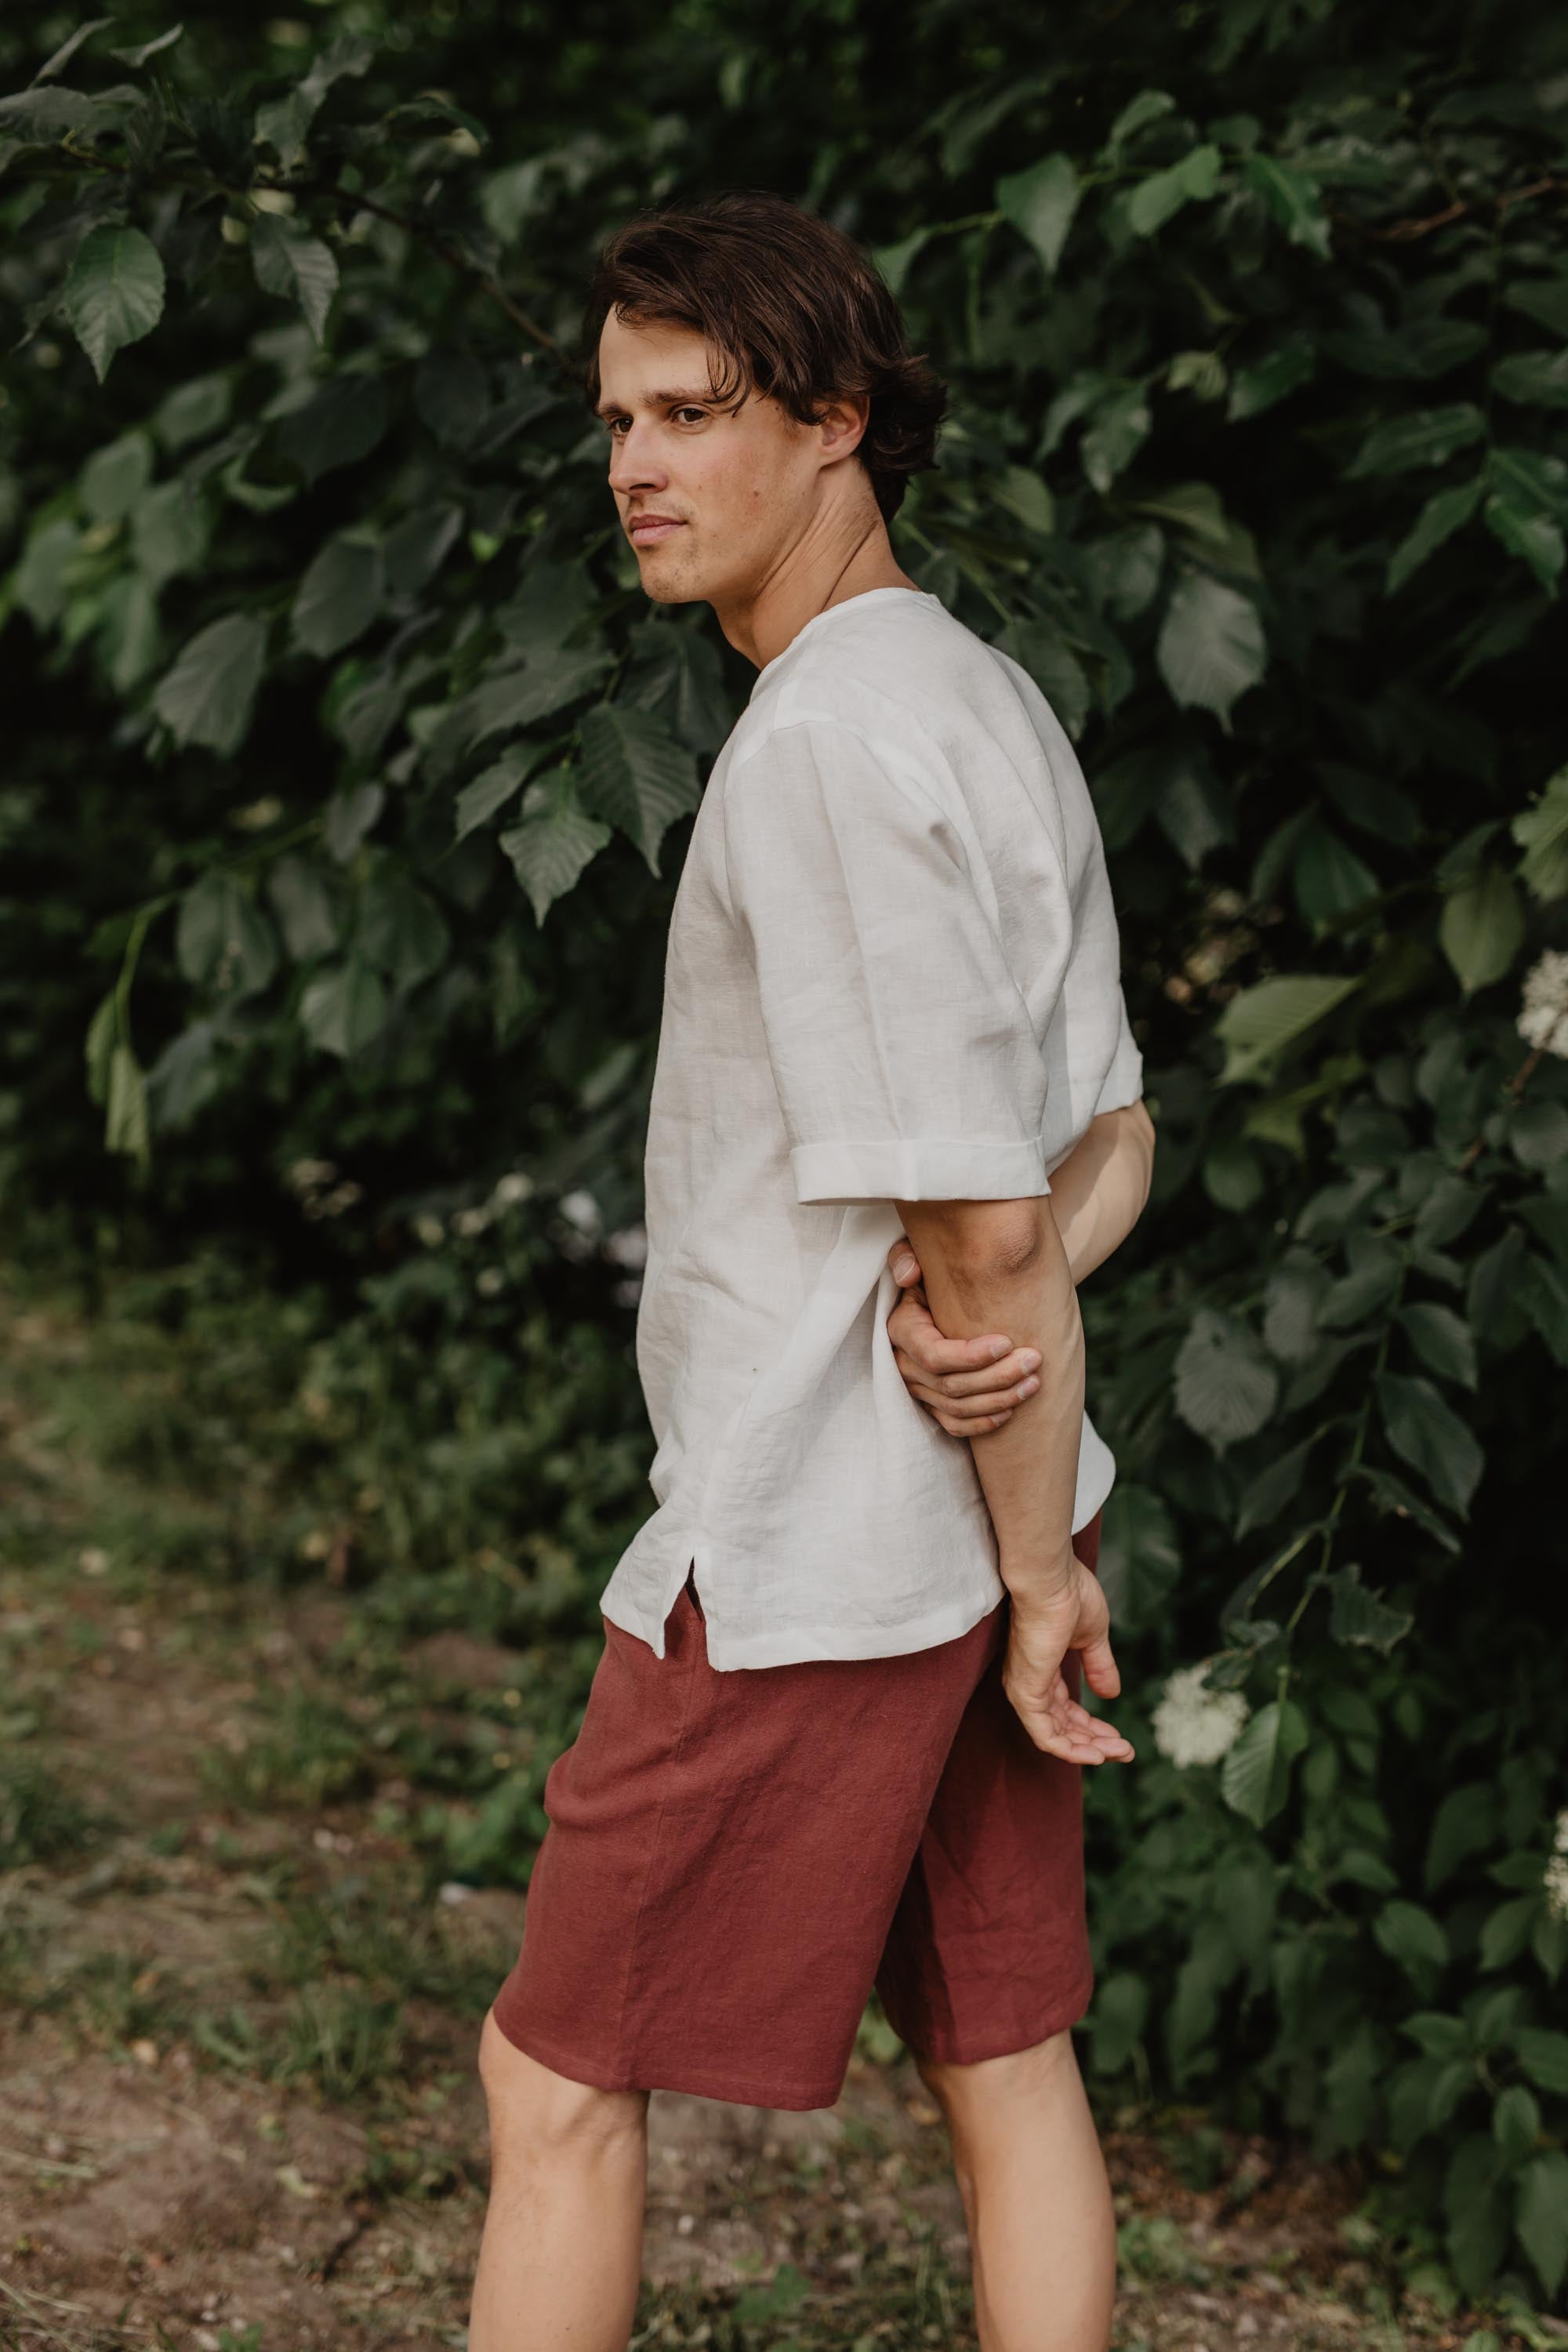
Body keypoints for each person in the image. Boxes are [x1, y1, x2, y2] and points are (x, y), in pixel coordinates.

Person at [470, 188, 1157, 2352]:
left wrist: (1034, 1554)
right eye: (615, 420)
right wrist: (1033, 1536)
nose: (637, 470)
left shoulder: (831, 751)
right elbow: (1107, 1145)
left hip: (818, 1557)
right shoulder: (976, 694)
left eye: (693, 412)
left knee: (555, 2079)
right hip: (962, 1540)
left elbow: (984, 1226)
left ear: (838, 423)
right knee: (1004, 2059)